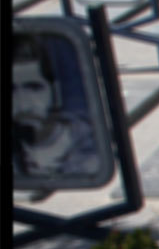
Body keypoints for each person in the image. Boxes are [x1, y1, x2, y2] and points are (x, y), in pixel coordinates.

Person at [13, 35, 104, 180]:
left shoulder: (87, 143)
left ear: (55, 90)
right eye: (11, 90)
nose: (23, 102)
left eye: (34, 88)